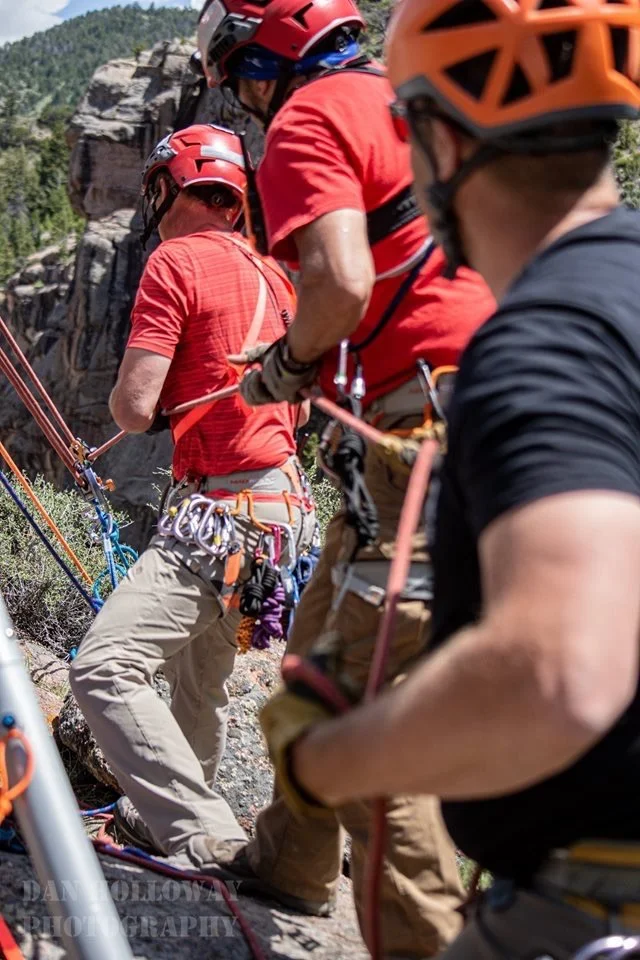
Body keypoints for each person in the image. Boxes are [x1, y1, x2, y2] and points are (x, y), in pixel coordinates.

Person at [250, 0, 640, 956]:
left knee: (376, 678)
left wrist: (324, 760)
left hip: (590, 901)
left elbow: (554, 673)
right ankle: (288, 862)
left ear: (438, 138)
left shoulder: (540, 350)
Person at [190, 1, 496, 954]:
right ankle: (290, 858)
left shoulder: (308, 117)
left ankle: (427, 941)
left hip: (417, 436)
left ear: (268, 50)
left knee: (365, 706)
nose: (239, 95)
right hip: (467, 418)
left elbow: (339, 281)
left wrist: (286, 367)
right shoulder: (411, 100)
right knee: (317, 655)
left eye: (238, 70)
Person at [70, 123, 316, 864]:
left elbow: (133, 406)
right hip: (282, 513)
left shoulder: (174, 259)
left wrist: (146, 405)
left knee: (104, 667)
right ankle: (167, 829)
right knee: (198, 685)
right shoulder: (275, 275)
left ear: (166, 187)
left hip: (221, 512)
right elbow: (299, 412)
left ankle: (202, 835)